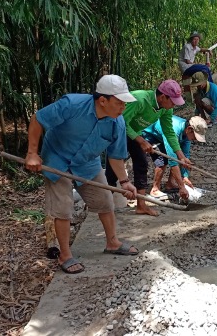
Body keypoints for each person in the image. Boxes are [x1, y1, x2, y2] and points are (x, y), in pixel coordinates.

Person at [24, 75, 140, 274]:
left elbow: (115, 156)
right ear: (102, 100)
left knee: (105, 200)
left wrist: (125, 182)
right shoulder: (72, 105)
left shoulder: (117, 123)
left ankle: (112, 242)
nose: (123, 107)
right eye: (119, 102)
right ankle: (65, 255)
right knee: (63, 207)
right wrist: (32, 153)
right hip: (57, 158)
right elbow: (38, 119)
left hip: (88, 163)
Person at [104, 80, 192, 216]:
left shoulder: (165, 108)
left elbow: (168, 131)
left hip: (134, 133)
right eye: (172, 102)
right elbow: (120, 121)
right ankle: (104, 206)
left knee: (142, 164)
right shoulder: (139, 100)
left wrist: (181, 157)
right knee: (113, 170)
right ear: (163, 97)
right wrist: (141, 141)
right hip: (116, 130)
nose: (173, 105)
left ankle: (141, 205)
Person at [143, 116, 208, 198]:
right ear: (189, 129)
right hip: (151, 135)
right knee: (162, 161)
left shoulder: (186, 134)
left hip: (163, 137)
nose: (195, 139)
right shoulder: (174, 130)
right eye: (195, 137)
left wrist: (185, 176)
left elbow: (185, 156)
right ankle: (155, 189)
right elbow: (172, 160)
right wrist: (182, 187)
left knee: (180, 158)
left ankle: (170, 184)